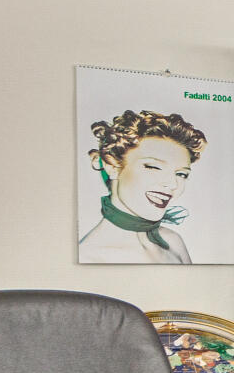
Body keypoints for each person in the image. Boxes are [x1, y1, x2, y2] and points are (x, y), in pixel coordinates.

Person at [78, 108, 206, 263]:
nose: (172, 184)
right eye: (154, 167)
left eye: (181, 174)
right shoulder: (90, 256)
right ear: (112, 166)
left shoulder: (174, 241)